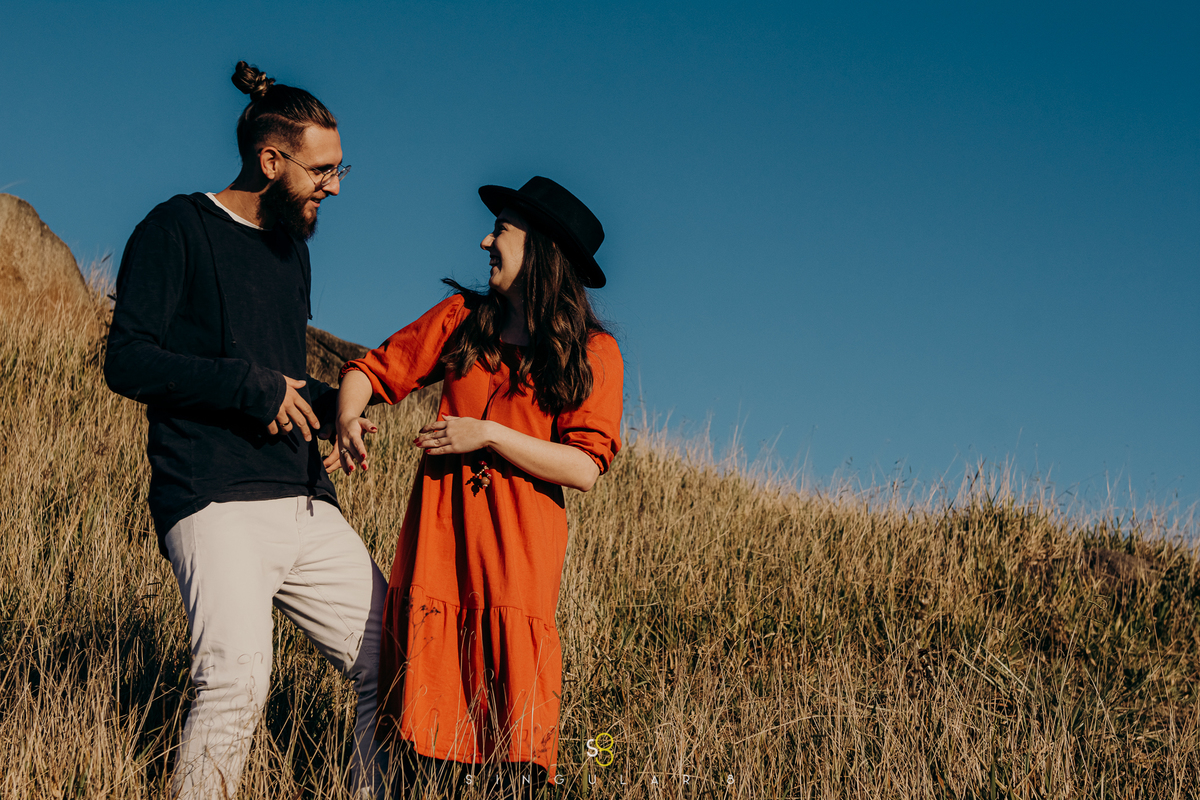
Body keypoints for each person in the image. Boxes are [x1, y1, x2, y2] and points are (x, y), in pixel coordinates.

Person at [104, 62, 386, 799]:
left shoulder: (292, 253)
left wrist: (339, 411)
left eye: (339, 167)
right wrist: (246, 385)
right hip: (212, 497)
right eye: (323, 169)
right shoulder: (175, 229)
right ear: (270, 160)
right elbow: (128, 361)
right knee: (235, 681)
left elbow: (280, 374)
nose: (335, 184)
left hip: (304, 498)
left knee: (394, 662)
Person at [332, 176, 623, 793]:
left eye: (504, 231)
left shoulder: (593, 352)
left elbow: (584, 467)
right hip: (437, 560)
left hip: (515, 571)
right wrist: (348, 415)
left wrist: (487, 435)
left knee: (509, 760)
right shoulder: (462, 320)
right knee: (418, 748)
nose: (485, 238)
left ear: (541, 249)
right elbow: (374, 366)